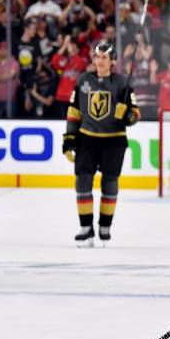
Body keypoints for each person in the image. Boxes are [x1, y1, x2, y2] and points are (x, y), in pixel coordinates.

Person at [62, 41, 140, 246]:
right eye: (97, 57)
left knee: (110, 182)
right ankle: (86, 228)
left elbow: (135, 115)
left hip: (114, 140)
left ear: (112, 61)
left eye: (104, 57)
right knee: (82, 180)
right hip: (87, 138)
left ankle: (105, 227)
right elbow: (74, 112)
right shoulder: (83, 81)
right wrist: (70, 138)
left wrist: (128, 115)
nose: (100, 61)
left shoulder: (123, 83)